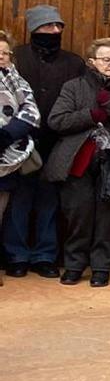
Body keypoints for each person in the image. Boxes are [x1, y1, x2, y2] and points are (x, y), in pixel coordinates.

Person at [44, 38, 110, 286]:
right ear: (92, 62)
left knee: (109, 219)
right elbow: (57, 121)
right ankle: (74, 266)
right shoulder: (73, 87)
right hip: (76, 161)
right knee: (78, 215)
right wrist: (90, 115)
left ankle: (101, 268)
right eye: (106, 59)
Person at [5, 4, 85, 278]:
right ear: (34, 29)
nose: (54, 31)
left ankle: (44, 255)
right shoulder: (18, 58)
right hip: (19, 142)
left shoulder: (74, 62)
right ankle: (16, 255)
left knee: (49, 200)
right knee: (20, 198)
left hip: (59, 142)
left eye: (58, 26)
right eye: (48, 26)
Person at [0, 33, 42, 235]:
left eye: (4, 53)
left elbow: (31, 113)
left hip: (6, 155)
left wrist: (6, 135)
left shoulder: (19, 81)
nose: (1, 56)